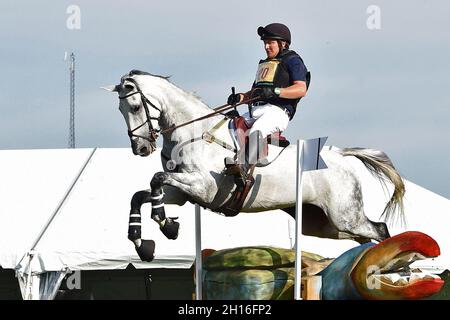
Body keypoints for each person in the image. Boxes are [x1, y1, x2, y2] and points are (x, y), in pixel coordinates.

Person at [225, 22, 310, 188]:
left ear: (282, 43)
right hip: (256, 109)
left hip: (278, 111)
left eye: (270, 42)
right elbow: (254, 93)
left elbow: (301, 89)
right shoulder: (265, 64)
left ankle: (243, 170)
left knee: (258, 130)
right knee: (230, 127)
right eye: (265, 43)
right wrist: (240, 97)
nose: (266, 46)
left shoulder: (293, 60)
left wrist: (275, 92)